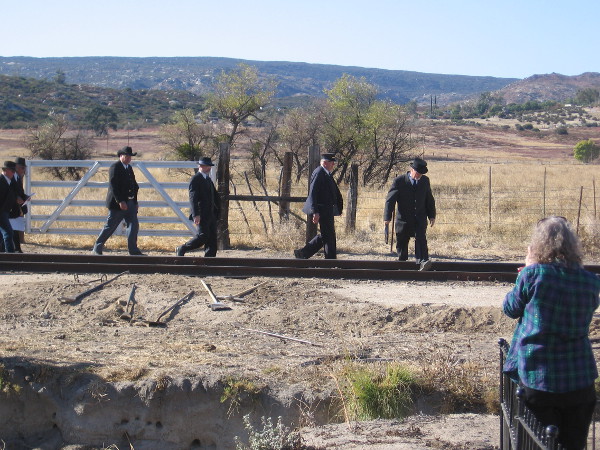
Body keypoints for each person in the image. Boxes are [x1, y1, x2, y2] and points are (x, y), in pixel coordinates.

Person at [503, 216, 600, 450]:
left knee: (536, 443)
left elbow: (510, 308)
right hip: (580, 379)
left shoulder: (533, 274)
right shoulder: (590, 281)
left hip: (539, 377)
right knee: (574, 445)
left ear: (538, 244)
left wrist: (527, 268)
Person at [383, 157, 436, 271]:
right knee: (402, 242)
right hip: (403, 219)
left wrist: (432, 215)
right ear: (412, 170)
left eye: (421, 174)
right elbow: (390, 200)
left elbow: (429, 199)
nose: (419, 176)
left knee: (421, 239)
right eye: (417, 173)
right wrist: (387, 217)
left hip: (420, 218)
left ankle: (423, 262)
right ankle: (402, 265)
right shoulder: (399, 181)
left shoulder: (425, 181)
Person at [92, 146, 144, 256]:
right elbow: (113, 186)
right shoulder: (115, 167)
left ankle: (133, 250)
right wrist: (120, 201)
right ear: (121, 156)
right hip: (118, 204)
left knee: (134, 226)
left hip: (130, 203)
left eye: (130, 156)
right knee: (110, 226)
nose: (129, 158)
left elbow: (134, 185)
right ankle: (97, 247)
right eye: (127, 156)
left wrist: (135, 201)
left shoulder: (129, 168)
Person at [294, 153, 343, 259]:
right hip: (321, 209)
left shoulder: (326, 173)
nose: (333, 164)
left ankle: (303, 253)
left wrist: (338, 208)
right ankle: (330, 261)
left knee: (327, 234)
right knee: (328, 235)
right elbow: (313, 192)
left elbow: (334, 192)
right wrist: (315, 211)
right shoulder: (319, 172)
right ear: (325, 163)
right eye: (331, 162)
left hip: (327, 209)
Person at [176, 157, 220, 257]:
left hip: (211, 214)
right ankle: (183, 248)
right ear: (200, 166)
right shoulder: (196, 179)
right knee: (203, 236)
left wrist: (217, 212)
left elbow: (214, 196)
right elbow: (193, 198)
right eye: (205, 166)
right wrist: (196, 214)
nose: (208, 168)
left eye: (209, 166)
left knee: (212, 239)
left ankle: (210, 260)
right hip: (202, 214)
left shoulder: (208, 179)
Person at [0, 161, 23, 253]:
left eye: (14, 171)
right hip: (1, 211)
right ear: (5, 170)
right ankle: (10, 256)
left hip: (4, 211)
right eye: (12, 171)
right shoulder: (1, 181)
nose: (14, 173)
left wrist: (22, 198)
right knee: (8, 232)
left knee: (2, 235)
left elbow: (15, 192)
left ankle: (4, 256)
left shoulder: (10, 180)